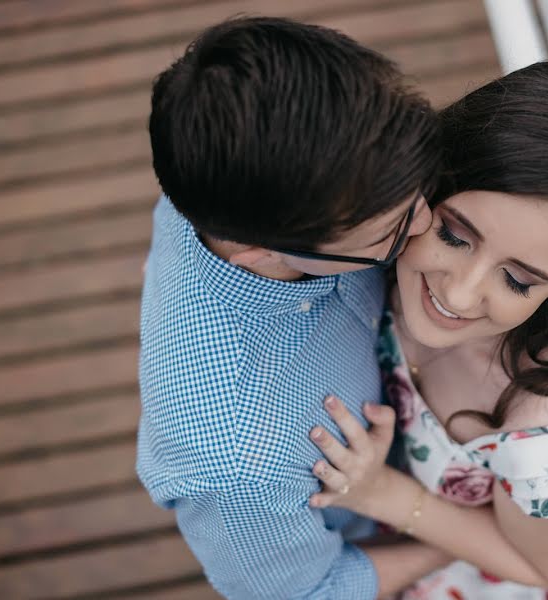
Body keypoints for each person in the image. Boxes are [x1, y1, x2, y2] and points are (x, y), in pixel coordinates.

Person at [307, 62, 548, 597]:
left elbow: (547, 567)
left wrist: (382, 493)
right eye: (454, 235)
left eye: (517, 280)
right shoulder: (379, 222)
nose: (457, 294)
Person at [137, 17, 453, 599]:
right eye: (389, 231)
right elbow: (312, 592)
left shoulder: (234, 155)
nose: (430, 223)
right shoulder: (232, 458)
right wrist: (466, 536)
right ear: (262, 254)